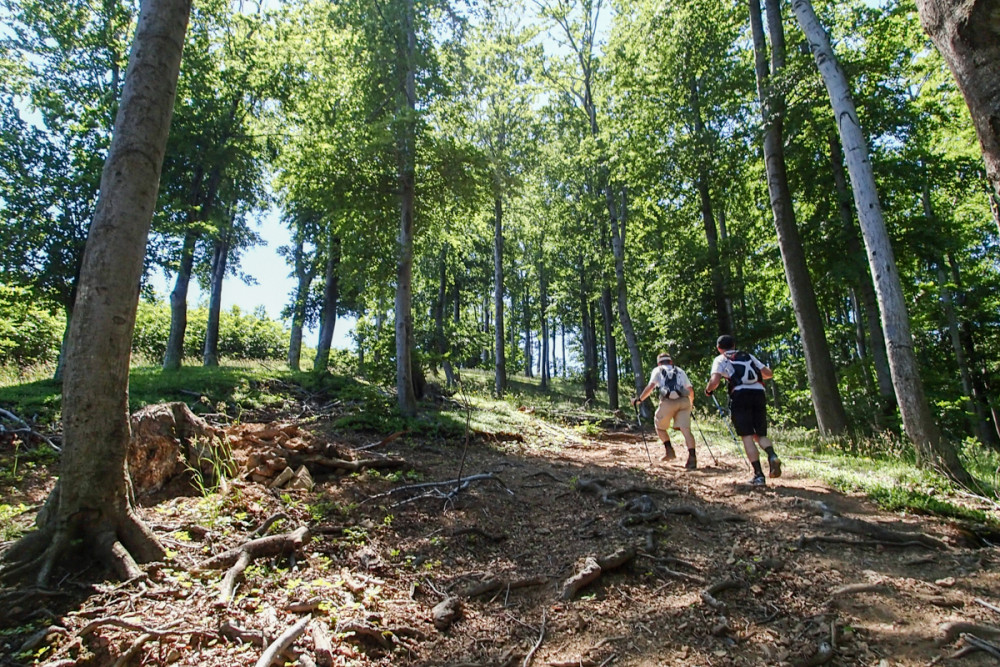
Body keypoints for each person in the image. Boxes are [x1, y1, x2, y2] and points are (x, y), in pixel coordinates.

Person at [704, 334, 781, 486]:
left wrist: (708, 390)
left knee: (747, 435)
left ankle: (758, 475)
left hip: (740, 395)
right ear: (734, 345)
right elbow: (768, 373)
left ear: (719, 348)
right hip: (759, 394)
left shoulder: (720, 359)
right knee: (760, 434)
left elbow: (715, 381)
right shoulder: (748, 356)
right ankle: (772, 455)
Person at [631, 352, 698, 469]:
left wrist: (639, 400)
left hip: (667, 402)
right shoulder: (680, 371)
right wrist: (691, 404)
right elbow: (690, 390)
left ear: (659, 363)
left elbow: (650, 387)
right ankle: (692, 459)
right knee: (686, 430)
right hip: (684, 401)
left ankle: (669, 451)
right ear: (671, 362)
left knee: (659, 427)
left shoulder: (657, 370)